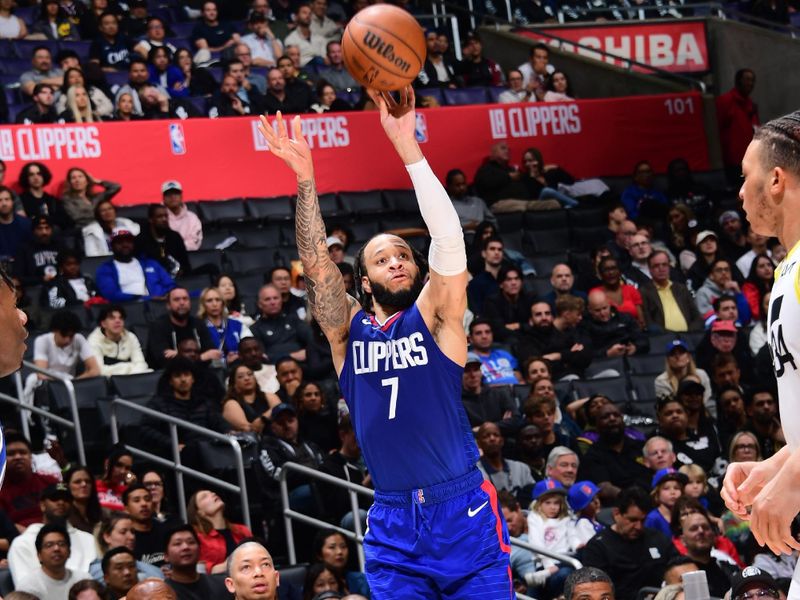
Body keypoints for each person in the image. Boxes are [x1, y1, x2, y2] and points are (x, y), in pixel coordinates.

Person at [258, 88, 513, 596]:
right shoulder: (346, 332)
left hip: (462, 509)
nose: (397, 260)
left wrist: (408, 148)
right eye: (381, 258)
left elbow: (448, 240)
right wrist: (306, 181)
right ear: (364, 282)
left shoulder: (438, 317)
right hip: (393, 517)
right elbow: (316, 266)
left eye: (402, 254)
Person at [582, 487, 678, 600]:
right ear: (617, 514)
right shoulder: (598, 547)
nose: (639, 526)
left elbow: (677, 564)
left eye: (643, 521)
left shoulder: (657, 538)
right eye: (632, 520)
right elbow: (598, 591)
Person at [8, 483, 97, 583]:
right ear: (42, 505)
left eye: (66, 499)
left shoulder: (89, 539)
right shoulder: (22, 543)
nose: (61, 502)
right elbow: (23, 587)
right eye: (55, 498)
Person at [577, 403, 652, 501]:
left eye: (616, 415)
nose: (612, 419)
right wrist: (631, 499)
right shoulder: (593, 455)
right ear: (597, 425)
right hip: (620, 504)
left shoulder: (641, 447)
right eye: (605, 417)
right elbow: (604, 488)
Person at [525, 479, 577, 594]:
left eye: (556, 503)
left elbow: (573, 538)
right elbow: (536, 544)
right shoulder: (535, 517)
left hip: (564, 561)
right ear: (538, 503)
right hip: (544, 565)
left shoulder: (567, 519)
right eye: (547, 503)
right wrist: (549, 567)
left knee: (568, 572)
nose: (553, 507)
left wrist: (578, 545)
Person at [14, 524, 92, 599]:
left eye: (61, 544)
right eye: (49, 545)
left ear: (69, 552)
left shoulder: (83, 580)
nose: (56, 548)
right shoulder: (28, 587)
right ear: (39, 555)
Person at [146, 287, 216, 368]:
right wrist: (200, 357)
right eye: (176, 299)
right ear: (168, 305)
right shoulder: (158, 326)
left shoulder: (198, 323)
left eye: (185, 299)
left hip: (199, 372)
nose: (182, 302)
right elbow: (163, 360)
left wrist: (177, 355)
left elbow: (212, 354)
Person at [187, 490, 251, 574]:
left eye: (212, 493)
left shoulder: (242, 530)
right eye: (204, 496)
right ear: (200, 512)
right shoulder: (197, 536)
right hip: (215, 583)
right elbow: (196, 568)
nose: (213, 494)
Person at [88, 512, 163, 582]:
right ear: (107, 537)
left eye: (132, 532)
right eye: (123, 532)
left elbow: (161, 579)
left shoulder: (143, 565)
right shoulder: (97, 569)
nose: (132, 537)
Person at [641, 250, 704, 333]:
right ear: (650, 269)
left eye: (664, 265)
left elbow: (697, 318)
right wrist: (671, 335)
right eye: (656, 266)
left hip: (689, 336)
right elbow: (649, 322)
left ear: (669, 266)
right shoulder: (645, 292)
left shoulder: (681, 289)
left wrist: (688, 333)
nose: (661, 269)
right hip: (662, 338)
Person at [163, 524, 233, 599]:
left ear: (200, 550)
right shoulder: (162, 593)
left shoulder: (221, 585)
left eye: (191, 542)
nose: (185, 547)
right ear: (166, 556)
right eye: (178, 544)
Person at [716, 68, 759, 183]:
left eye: (752, 80)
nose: (750, 83)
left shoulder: (751, 104)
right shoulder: (725, 101)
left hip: (751, 158)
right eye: (747, 80)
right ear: (738, 81)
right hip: (734, 161)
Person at [476, 421, 535, 503]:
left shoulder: (521, 469)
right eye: (486, 436)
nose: (492, 438)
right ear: (479, 443)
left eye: (496, 435)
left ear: (502, 441)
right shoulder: (474, 474)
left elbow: (534, 499)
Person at [87, 305, 150, 376]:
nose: (118, 321)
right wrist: (127, 367)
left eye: (121, 318)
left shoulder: (130, 337)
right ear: (103, 324)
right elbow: (99, 370)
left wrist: (131, 375)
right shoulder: (94, 340)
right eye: (112, 318)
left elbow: (141, 363)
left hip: (132, 377)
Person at [312, 530, 370, 597]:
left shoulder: (360, 579)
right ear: (319, 554)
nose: (339, 552)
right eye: (332, 547)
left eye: (343, 546)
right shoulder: (311, 580)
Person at [468, 318, 522, 385]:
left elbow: (519, 376)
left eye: (487, 332)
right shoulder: (469, 360)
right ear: (470, 339)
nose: (484, 336)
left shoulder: (504, 354)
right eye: (478, 333)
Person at [161, 181, 203, 252]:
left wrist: (176, 247)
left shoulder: (192, 218)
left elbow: (195, 243)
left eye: (176, 193)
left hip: (189, 256)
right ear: (164, 198)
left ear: (181, 196)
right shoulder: (158, 218)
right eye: (169, 194)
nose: (173, 196)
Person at [645, 468, 687, 537]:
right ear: (657, 493)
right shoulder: (653, 519)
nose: (672, 492)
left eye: (677, 488)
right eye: (666, 488)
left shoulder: (685, 515)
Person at [63, 466, 102, 534]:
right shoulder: (63, 515)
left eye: (88, 481)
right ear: (67, 486)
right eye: (77, 482)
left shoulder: (103, 514)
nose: (84, 484)